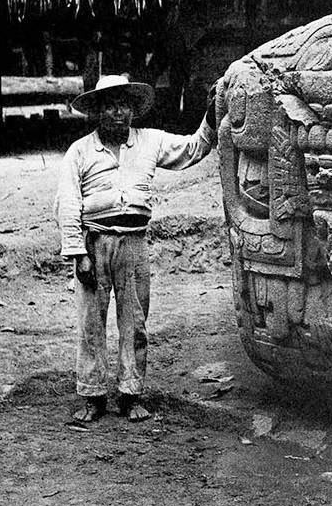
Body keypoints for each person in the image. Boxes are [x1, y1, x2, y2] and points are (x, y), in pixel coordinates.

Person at [54, 74, 217, 423]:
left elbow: (193, 149)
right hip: (95, 244)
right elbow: (67, 203)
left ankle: (131, 395)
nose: (118, 113)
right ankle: (93, 397)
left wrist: (211, 116)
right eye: (110, 105)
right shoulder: (80, 151)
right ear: (97, 111)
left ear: (133, 110)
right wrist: (78, 254)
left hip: (135, 245)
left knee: (135, 323)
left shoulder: (150, 142)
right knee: (91, 324)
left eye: (124, 105)